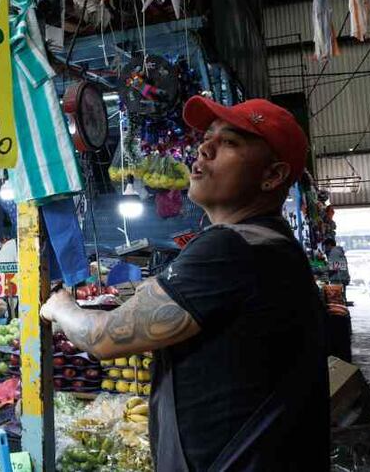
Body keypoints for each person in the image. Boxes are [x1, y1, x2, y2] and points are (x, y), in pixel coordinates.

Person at [41, 96, 329, 471]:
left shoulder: (233, 248)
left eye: (230, 142)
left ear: (272, 175)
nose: (204, 149)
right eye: (207, 137)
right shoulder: (268, 245)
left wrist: (61, 306)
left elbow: (103, 338)